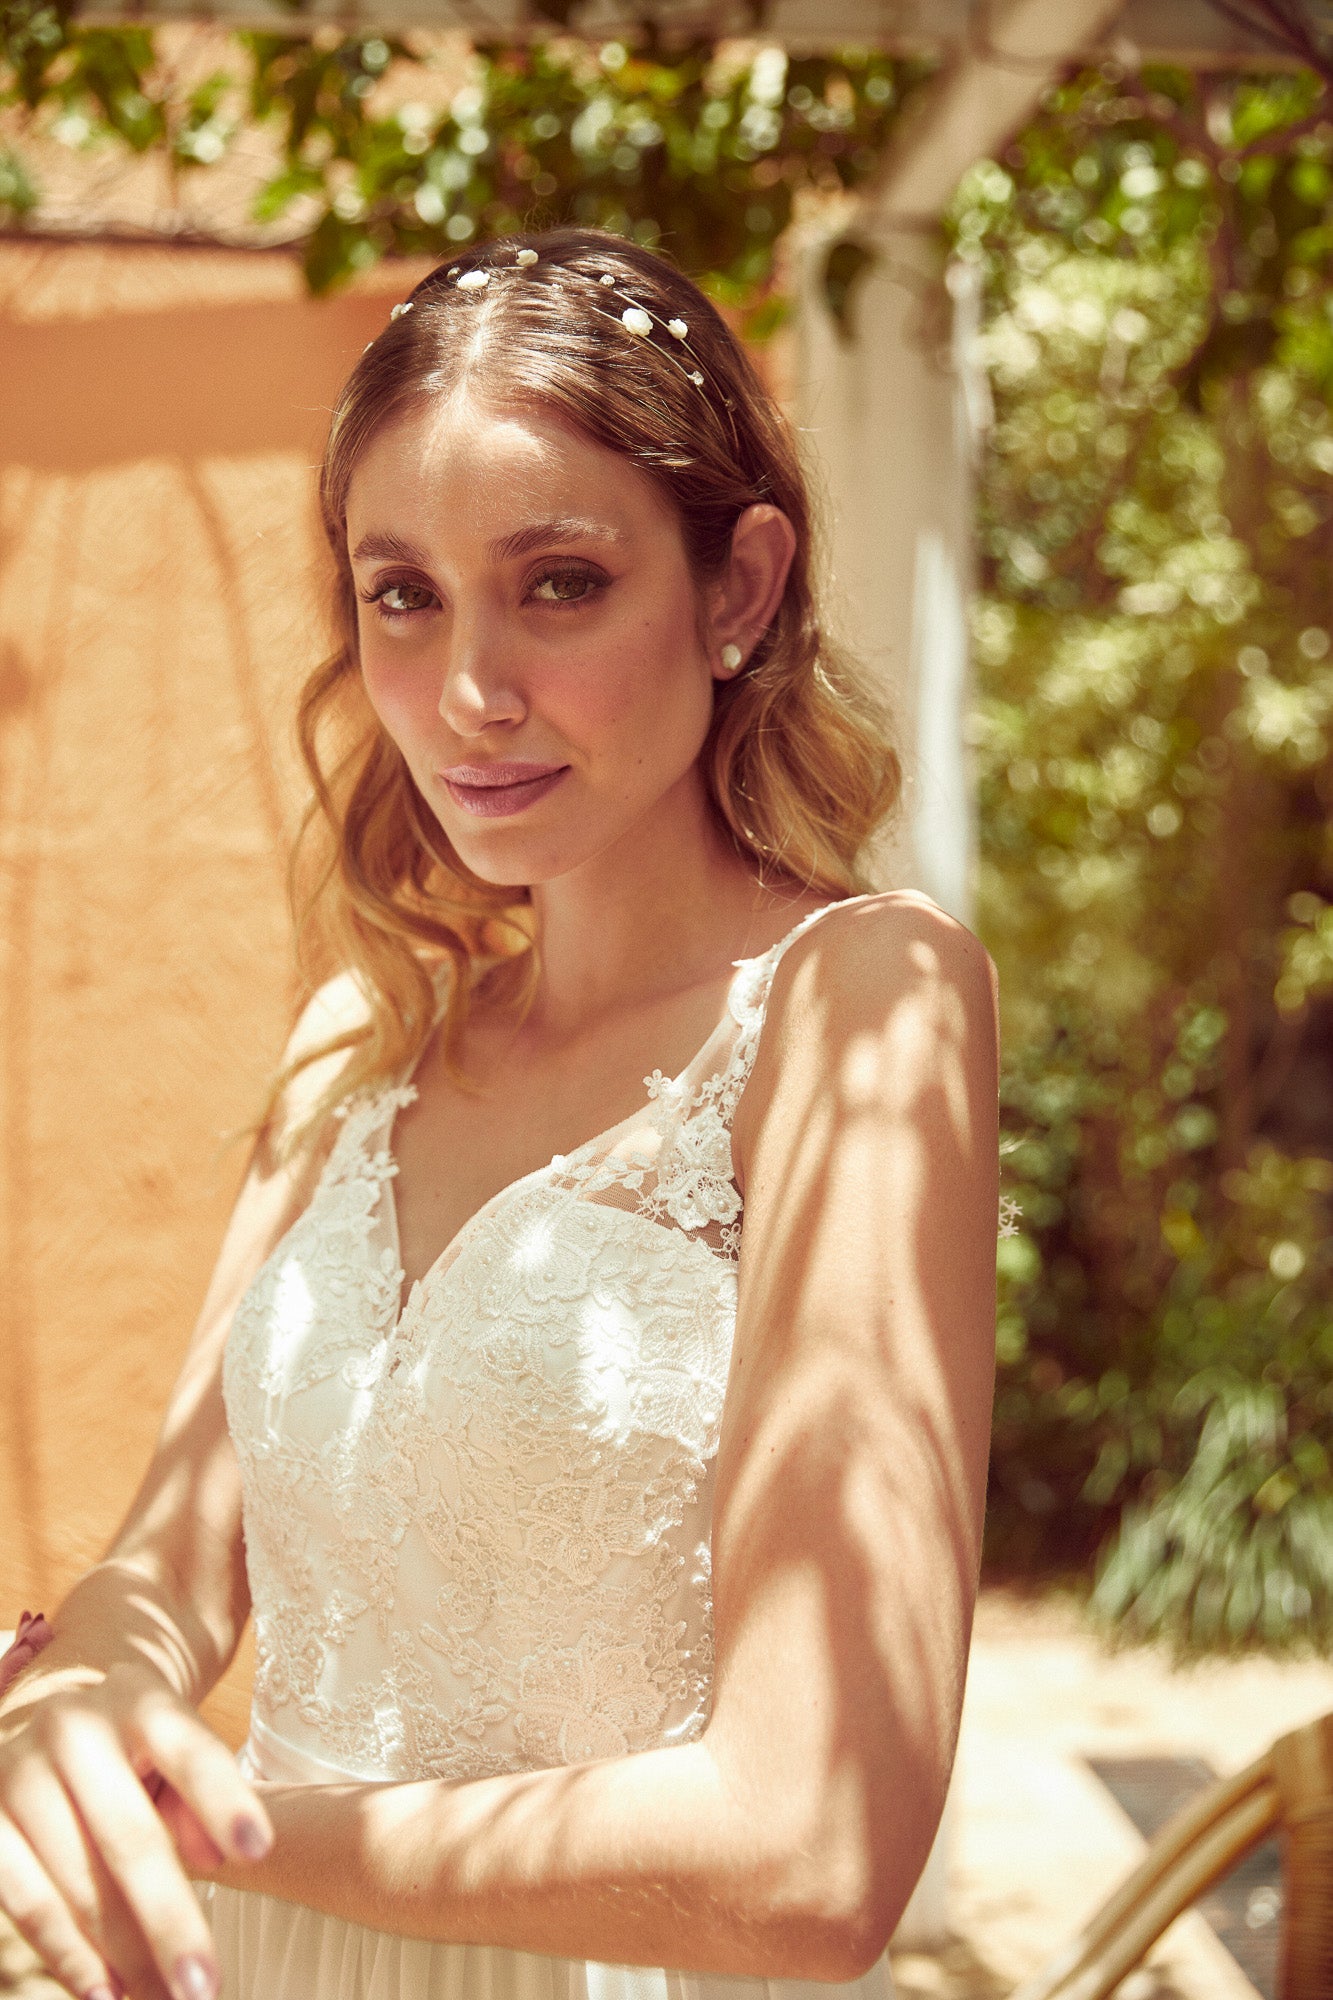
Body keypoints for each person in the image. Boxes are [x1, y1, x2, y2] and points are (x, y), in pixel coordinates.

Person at [0, 227, 1000, 2000]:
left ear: (738, 586)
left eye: (558, 583)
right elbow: (165, 1568)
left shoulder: (858, 1004)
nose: (470, 694)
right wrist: (70, 1711)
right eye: (403, 595)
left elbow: (817, 1851)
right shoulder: (358, 1039)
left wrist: (218, 1836)